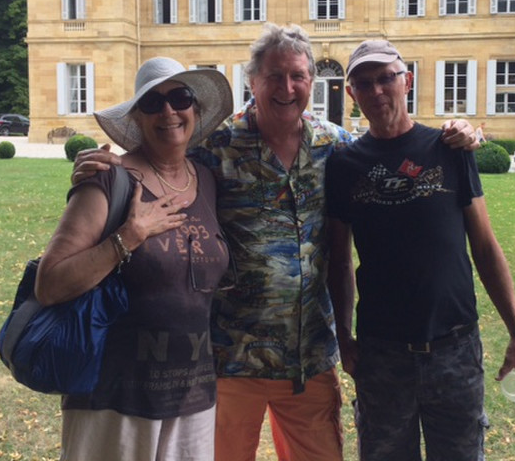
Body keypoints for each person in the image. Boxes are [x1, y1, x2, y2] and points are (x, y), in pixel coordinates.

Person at [71, 24, 480, 461]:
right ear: (253, 81)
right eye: (274, 76)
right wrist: (110, 162)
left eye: (299, 76)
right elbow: (161, 153)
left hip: (310, 356)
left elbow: (388, 162)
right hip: (231, 357)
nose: (287, 87)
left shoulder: (336, 147)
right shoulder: (216, 146)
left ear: (311, 81)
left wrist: (460, 134)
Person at [325, 40, 515, 461]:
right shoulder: (344, 165)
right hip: (381, 354)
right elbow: (339, 259)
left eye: (387, 78)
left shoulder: (449, 149)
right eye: (365, 83)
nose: (378, 91)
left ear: (407, 81)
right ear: (351, 94)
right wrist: (343, 336)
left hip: (454, 349)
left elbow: (486, 247)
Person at [35, 57, 233, 461]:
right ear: (137, 118)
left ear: (195, 109)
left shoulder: (208, 180)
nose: (168, 112)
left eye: (180, 97)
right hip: (115, 397)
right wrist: (127, 237)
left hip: (192, 396)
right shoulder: (109, 179)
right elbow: (50, 284)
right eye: (152, 103)